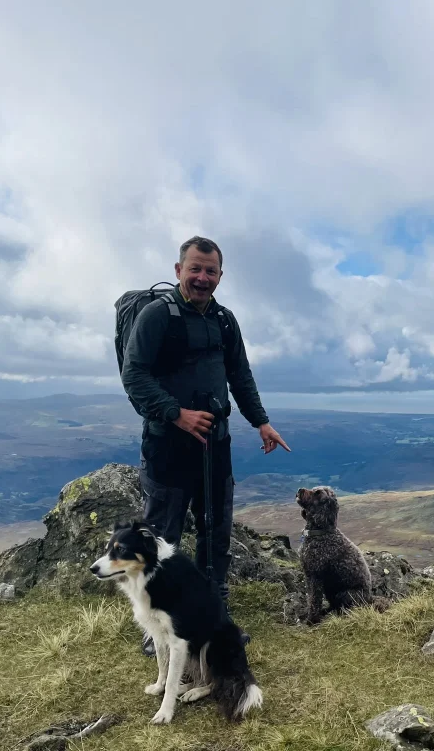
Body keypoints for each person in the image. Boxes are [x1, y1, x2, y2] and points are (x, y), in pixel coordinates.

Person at [120, 235, 290, 653]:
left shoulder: (225, 320)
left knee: (216, 536)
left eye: (210, 271)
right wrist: (177, 413)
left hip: (216, 447)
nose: (202, 277)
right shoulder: (157, 316)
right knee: (161, 540)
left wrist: (261, 422)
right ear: (178, 270)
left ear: (220, 275)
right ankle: (157, 631)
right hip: (168, 446)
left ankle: (212, 619)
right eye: (195, 269)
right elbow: (134, 375)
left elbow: (240, 375)